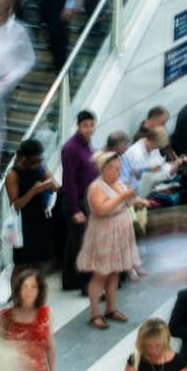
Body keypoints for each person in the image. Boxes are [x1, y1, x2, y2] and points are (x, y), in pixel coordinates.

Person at [78, 151, 141, 330]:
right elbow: (100, 210)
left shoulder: (118, 183)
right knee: (101, 274)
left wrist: (136, 200)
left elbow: (125, 202)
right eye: (114, 170)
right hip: (104, 233)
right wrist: (122, 197)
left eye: (119, 169)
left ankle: (111, 308)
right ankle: (95, 313)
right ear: (103, 170)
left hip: (119, 233)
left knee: (114, 272)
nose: (118, 173)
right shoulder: (96, 187)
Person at [5, 140, 59, 283]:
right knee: (20, 264)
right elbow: (15, 205)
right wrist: (33, 191)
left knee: (38, 262)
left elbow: (55, 187)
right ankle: (17, 301)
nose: (38, 162)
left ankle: (36, 299)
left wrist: (45, 172)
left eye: (39, 159)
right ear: (24, 158)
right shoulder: (13, 175)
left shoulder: (39, 168)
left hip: (40, 219)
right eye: (35, 160)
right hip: (23, 222)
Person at [60, 110, 98, 293]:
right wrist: (75, 208)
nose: (89, 129)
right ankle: (86, 284)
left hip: (86, 198)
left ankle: (69, 280)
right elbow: (70, 181)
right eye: (85, 125)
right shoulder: (71, 149)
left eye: (91, 125)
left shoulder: (85, 144)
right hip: (76, 200)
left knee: (72, 242)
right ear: (78, 126)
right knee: (82, 243)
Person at [0, 270, 55, 371]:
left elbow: (49, 348)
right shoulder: (6, 316)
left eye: (33, 287)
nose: (28, 291)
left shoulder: (45, 314)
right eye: (25, 286)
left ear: (39, 291)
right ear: (19, 290)